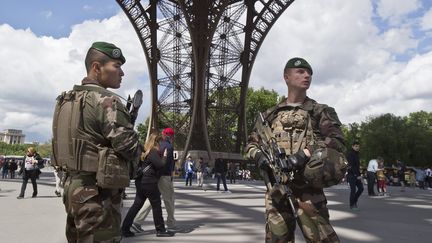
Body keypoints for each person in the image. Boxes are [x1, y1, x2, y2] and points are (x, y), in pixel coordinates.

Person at [246, 57, 346, 242]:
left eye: (309, 73)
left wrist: (305, 153)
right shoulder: (270, 115)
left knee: (323, 239)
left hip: (309, 189)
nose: (307, 75)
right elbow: (251, 144)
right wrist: (259, 156)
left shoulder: (320, 111)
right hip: (277, 190)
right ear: (286, 77)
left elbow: (337, 140)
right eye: (300, 72)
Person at [51, 41, 141, 242]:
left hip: (73, 188)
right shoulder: (107, 100)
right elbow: (129, 147)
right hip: (98, 194)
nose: (122, 73)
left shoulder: (66, 100)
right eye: (116, 66)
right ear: (96, 67)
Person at [121, 132, 175, 237]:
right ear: (155, 142)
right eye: (159, 141)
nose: (161, 143)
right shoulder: (153, 152)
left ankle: (125, 228)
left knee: (136, 205)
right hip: (149, 182)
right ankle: (160, 230)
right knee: (156, 205)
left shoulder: (145, 152)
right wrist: (164, 157)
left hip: (141, 181)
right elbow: (160, 165)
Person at [133, 127, 177, 231]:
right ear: (172, 136)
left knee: (151, 200)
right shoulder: (169, 147)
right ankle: (171, 223)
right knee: (169, 199)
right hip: (165, 176)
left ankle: (137, 221)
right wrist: (170, 175)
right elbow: (167, 164)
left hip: (155, 176)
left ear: (163, 134)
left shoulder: (158, 145)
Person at [346, 141, 363, 210]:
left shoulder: (357, 154)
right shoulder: (350, 154)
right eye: (356, 146)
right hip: (351, 175)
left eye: (358, 146)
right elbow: (351, 166)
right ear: (352, 146)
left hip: (357, 175)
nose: (357, 147)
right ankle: (352, 205)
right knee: (353, 190)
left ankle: (354, 201)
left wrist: (360, 175)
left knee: (361, 188)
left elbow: (357, 166)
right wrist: (356, 175)